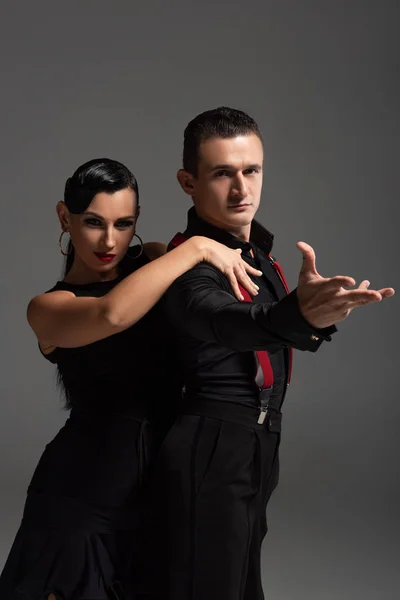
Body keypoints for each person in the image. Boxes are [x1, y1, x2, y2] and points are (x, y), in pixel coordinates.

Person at [154, 107, 395, 600]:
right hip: (210, 443)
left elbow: (274, 332)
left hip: (257, 440)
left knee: (243, 585)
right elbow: (231, 324)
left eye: (251, 170)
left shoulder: (258, 254)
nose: (242, 189)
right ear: (188, 181)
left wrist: (315, 320)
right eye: (223, 173)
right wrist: (299, 317)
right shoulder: (188, 265)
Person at [0, 157, 263, 600]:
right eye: (93, 222)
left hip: (159, 495)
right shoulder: (48, 308)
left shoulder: (158, 259)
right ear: (65, 218)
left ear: (136, 219)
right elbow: (113, 313)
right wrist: (196, 248)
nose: (109, 240)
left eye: (123, 223)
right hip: (81, 500)